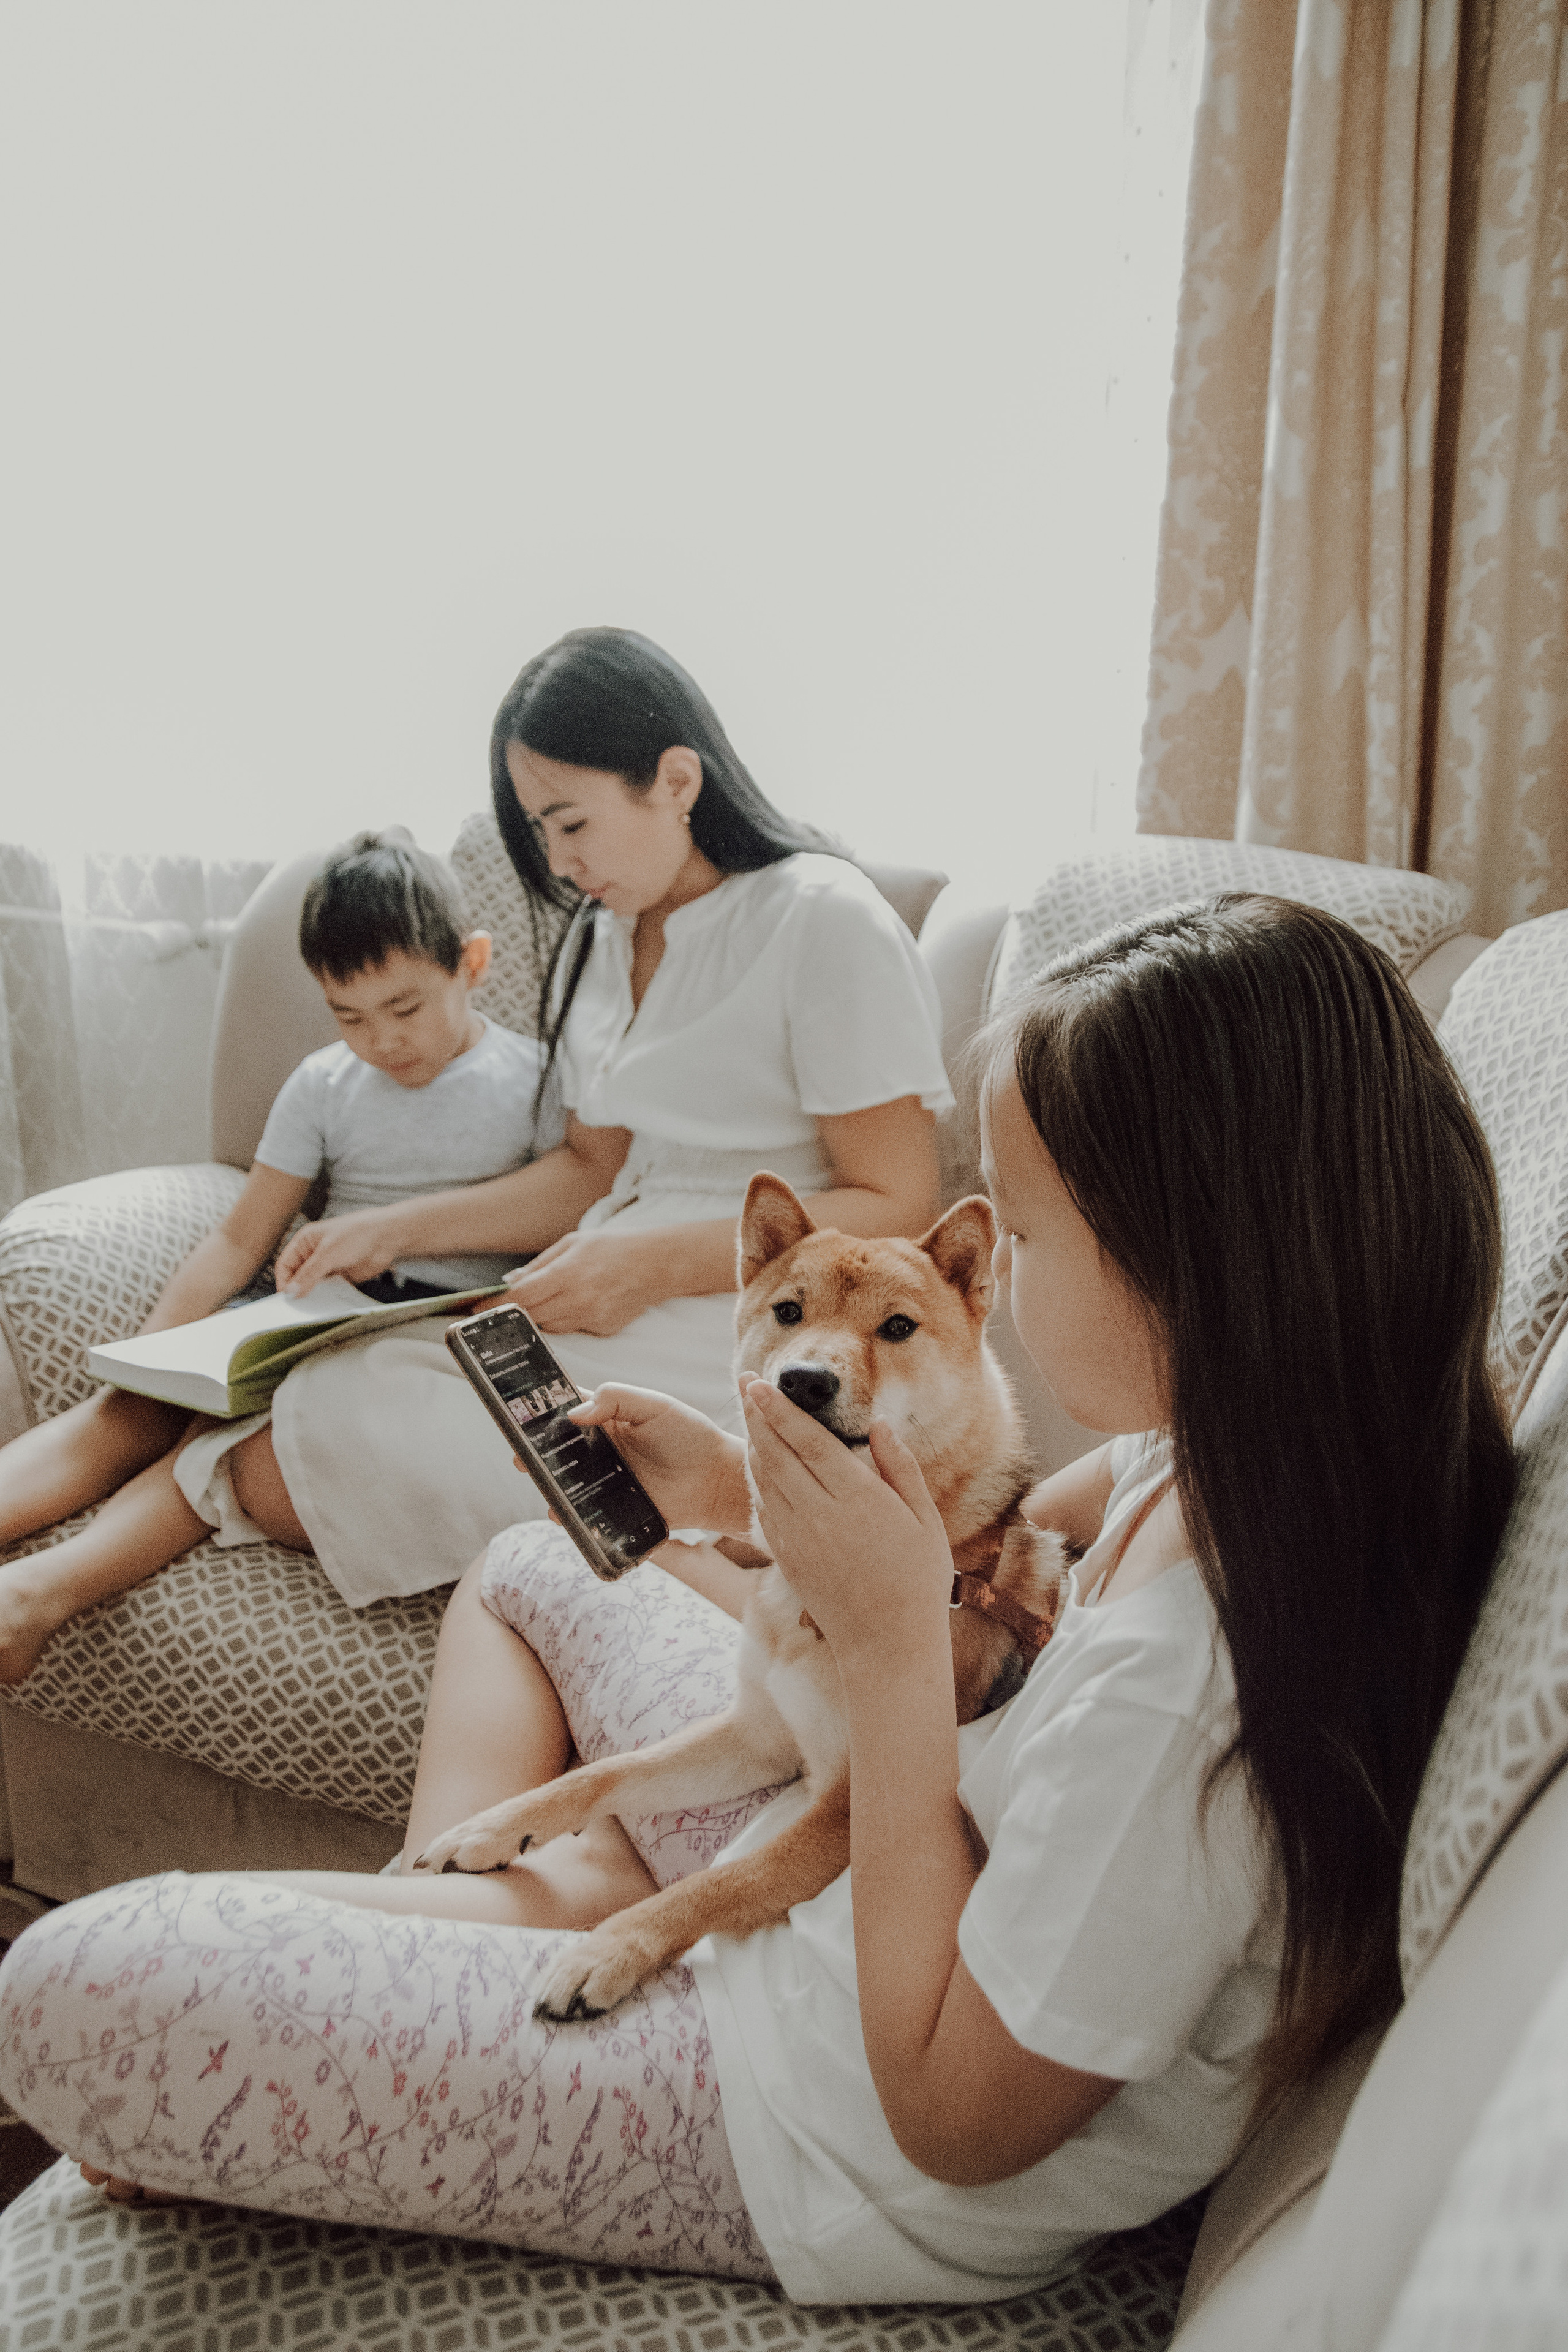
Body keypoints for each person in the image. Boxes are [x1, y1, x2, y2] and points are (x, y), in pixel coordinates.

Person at [0, 894, 1515, 2304]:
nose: (1001, 1280)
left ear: (1198, 1269)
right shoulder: (1201, 1467)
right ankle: (517, 1909)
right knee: (533, 1562)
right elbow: (980, 1535)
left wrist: (879, 1650)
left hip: (813, 2129)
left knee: (61, 1989)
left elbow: (951, 2121)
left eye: (1032, 1239)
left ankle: (517, 1924)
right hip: (837, 1907)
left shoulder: (1194, 1691)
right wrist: (737, 1496)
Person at [241, 627, 953, 1600]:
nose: (558, 859)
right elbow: (588, 1169)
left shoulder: (819, 917)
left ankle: (705, 1557)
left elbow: (898, 1202)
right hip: (605, 1275)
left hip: (745, 1304)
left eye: (569, 821)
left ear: (675, 780)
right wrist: (383, 1231)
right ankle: (674, 1550)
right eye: (539, 831)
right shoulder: (597, 940)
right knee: (328, 1392)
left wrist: (649, 1266)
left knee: (301, 1451)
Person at [0, 830, 564, 1676]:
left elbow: (569, 1211)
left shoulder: (535, 1082)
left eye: (406, 1008)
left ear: (472, 964)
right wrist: (154, 1350)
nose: (382, 1040)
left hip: (431, 1327)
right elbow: (239, 1237)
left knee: (222, 1448)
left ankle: (33, 1597)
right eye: (349, 1015)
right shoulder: (325, 1084)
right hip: (314, 1306)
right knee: (129, 1413)